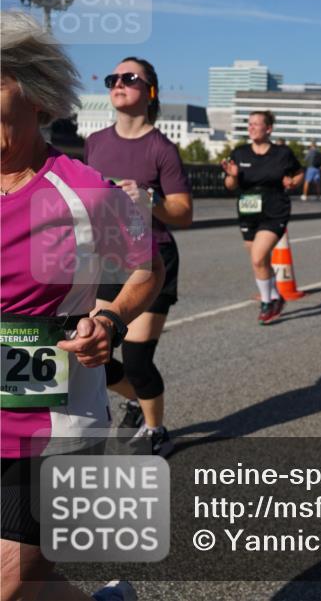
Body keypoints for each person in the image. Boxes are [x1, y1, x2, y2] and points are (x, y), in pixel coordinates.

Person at [1, 10, 164, 601]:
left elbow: (148, 269)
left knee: (11, 581)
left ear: (37, 98)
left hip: (49, 423)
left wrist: (112, 319)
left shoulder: (81, 193)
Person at [86, 56, 193, 457]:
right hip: (105, 259)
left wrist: (149, 200)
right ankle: (136, 400)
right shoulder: (95, 143)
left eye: (129, 78)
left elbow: (184, 213)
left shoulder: (161, 148)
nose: (118, 82)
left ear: (150, 92)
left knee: (135, 358)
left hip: (153, 259)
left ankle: (157, 429)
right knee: (91, 348)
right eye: (113, 77)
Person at [221, 110, 304, 325]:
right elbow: (230, 186)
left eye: (257, 124)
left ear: (268, 129)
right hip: (248, 210)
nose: (252, 127)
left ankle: (267, 303)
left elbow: (298, 172)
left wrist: (293, 183)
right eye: (249, 124)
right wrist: (232, 176)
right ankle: (276, 296)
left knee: (258, 257)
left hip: (275, 209)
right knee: (261, 260)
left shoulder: (282, 153)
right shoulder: (239, 153)